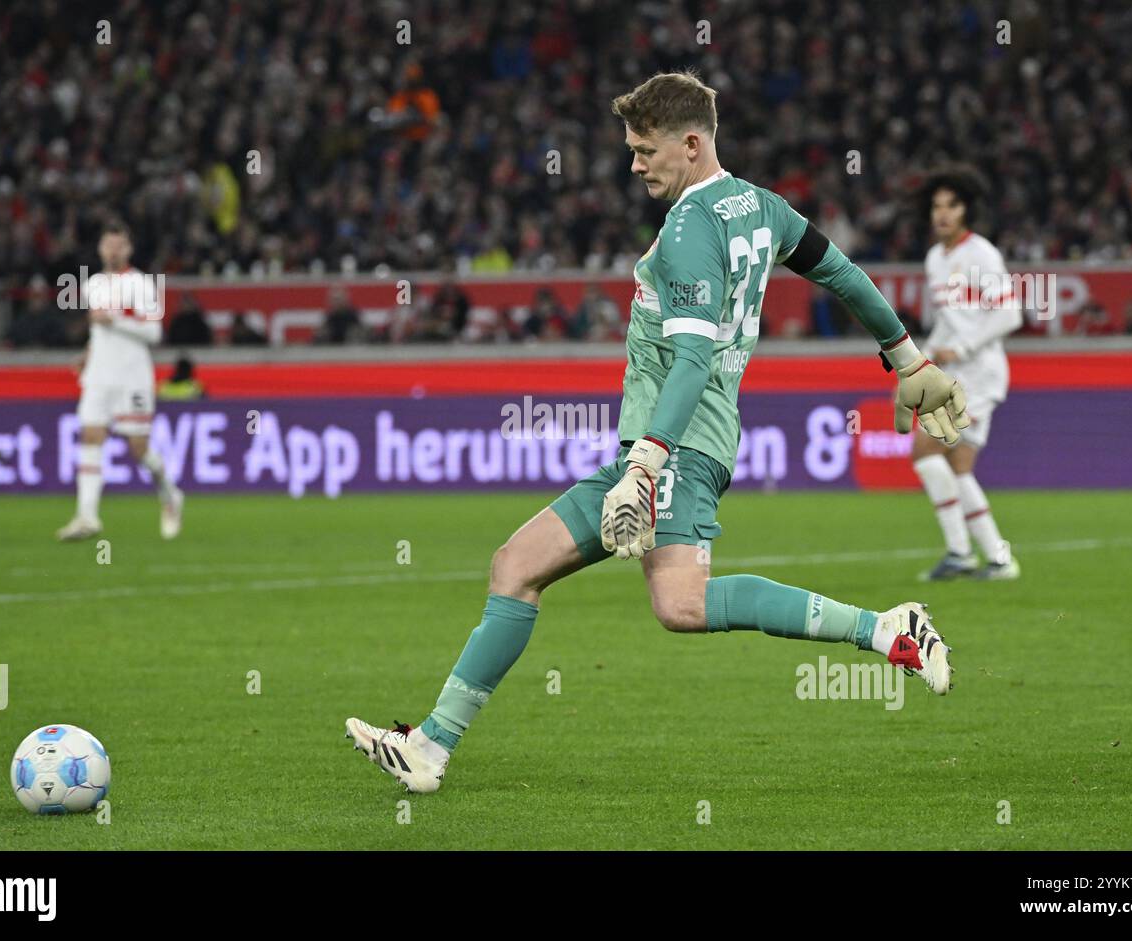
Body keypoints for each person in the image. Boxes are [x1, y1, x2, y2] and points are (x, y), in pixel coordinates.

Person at [346, 72, 968, 793]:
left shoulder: (689, 227)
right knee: (515, 566)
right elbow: (840, 271)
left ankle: (886, 628)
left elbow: (694, 360)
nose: (634, 164)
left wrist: (646, 462)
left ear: (692, 144)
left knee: (681, 604)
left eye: (645, 150)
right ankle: (430, 746)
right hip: (666, 445)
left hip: (676, 443)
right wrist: (906, 355)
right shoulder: (760, 207)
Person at [912, 166, 1023, 581]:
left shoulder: (981, 254)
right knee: (959, 467)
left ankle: (961, 552)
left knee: (925, 452)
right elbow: (947, 322)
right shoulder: (935, 259)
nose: (942, 214)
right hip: (957, 375)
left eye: (952, 205)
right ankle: (998, 558)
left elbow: (1010, 313)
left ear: (967, 210)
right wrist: (918, 363)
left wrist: (961, 348)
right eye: (936, 206)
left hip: (979, 375)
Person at [57, 220, 184, 542]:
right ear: (100, 248)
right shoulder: (93, 284)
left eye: (119, 245)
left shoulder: (142, 285)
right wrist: (87, 354)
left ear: (128, 249)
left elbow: (153, 333)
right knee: (90, 436)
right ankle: (87, 516)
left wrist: (114, 320)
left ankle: (170, 493)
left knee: (138, 449)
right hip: (99, 374)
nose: (113, 251)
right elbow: (98, 331)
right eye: (108, 245)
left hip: (132, 377)